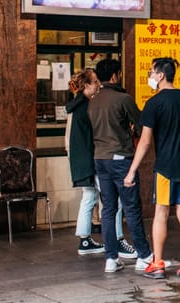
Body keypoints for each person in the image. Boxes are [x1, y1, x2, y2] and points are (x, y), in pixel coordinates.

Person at [124, 58, 180, 280]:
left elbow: (146, 142)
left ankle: (157, 263)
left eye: (151, 72)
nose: (149, 76)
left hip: (165, 167)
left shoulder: (154, 103)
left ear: (160, 75)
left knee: (161, 212)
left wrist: (131, 171)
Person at [88, 58, 152, 273]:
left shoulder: (93, 101)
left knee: (108, 209)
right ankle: (143, 255)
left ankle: (111, 258)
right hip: (121, 159)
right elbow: (141, 122)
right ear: (115, 75)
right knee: (132, 208)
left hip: (100, 159)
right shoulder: (123, 98)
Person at [66, 68, 129, 256]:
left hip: (82, 160)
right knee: (112, 199)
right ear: (86, 86)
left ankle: (85, 240)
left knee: (90, 198)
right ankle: (117, 239)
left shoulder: (76, 106)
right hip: (93, 160)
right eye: (94, 82)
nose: (98, 85)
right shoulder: (87, 107)